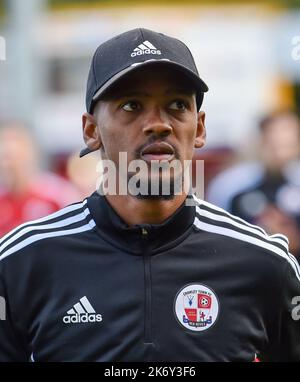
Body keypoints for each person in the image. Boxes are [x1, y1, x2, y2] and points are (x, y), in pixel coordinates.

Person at [0, 28, 299, 362]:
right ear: (90, 130)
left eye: (176, 105)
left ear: (199, 128)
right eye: (132, 105)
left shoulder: (265, 263)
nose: (158, 124)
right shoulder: (20, 263)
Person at [207, 110, 300, 260]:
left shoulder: (296, 182)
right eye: (275, 145)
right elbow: (214, 236)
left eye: (289, 144)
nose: (281, 154)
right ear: (261, 141)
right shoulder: (230, 185)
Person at [0, 124, 80, 238]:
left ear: (30, 154)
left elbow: (76, 232)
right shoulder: (2, 200)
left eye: (13, 156)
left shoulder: (57, 194)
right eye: (5, 157)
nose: (8, 164)